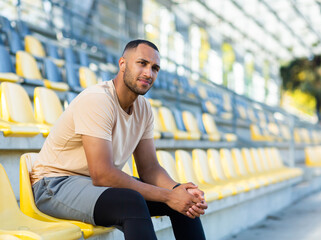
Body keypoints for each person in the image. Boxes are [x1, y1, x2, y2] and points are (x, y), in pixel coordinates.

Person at [30, 39, 207, 240]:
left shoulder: (144, 108)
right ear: (122, 64)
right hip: (55, 185)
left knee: (185, 203)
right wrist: (169, 196)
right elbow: (102, 174)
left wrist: (178, 190)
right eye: (142, 63)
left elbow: (150, 168)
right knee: (131, 203)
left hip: (93, 185)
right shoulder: (97, 99)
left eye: (155, 68)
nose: (149, 73)